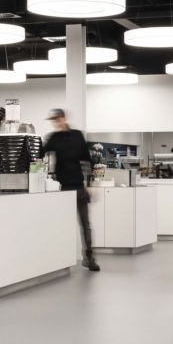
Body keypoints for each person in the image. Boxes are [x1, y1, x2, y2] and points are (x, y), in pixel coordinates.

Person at [42, 108, 100, 272]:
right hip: (61, 188)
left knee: (85, 224)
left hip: (79, 186)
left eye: (57, 119)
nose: (56, 123)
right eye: (53, 120)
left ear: (64, 118)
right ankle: (59, 257)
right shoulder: (53, 138)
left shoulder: (77, 135)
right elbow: (40, 153)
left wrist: (91, 184)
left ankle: (89, 258)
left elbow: (87, 160)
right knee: (61, 224)